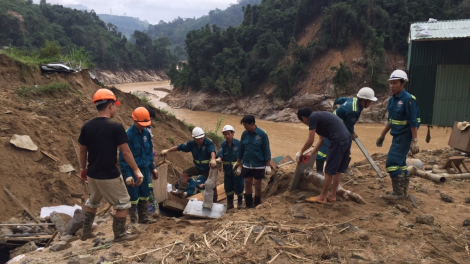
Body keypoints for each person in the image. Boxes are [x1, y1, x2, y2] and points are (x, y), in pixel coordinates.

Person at [78, 89, 141, 242]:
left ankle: (86, 232)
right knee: (123, 203)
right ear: (111, 106)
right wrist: (136, 170)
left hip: (92, 173)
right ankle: (119, 235)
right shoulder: (116, 127)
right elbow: (126, 152)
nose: (116, 108)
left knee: (93, 201)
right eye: (115, 105)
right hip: (109, 174)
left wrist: (83, 169)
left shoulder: (87, 126)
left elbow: (82, 150)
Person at [376, 70, 420, 199]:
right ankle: (403, 193)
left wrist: (414, 140)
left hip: (404, 137)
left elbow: (413, 122)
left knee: (391, 163)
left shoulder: (409, 100)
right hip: (396, 136)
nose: (392, 86)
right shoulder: (392, 100)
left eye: (395, 83)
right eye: (390, 83)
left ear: (403, 84)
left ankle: (398, 193)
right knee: (400, 164)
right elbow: (391, 120)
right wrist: (383, 134)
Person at [315, 87, 378, 174]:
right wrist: (352, 133)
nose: (371, 103)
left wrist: (335, 103)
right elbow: (348, 126)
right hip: (332, 127)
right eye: (370, 101)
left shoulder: (355, 101)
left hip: (339, 125)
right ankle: (319, 170)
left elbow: (342, 99)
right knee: (325, 148)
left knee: (346, 143)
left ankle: (343, 167)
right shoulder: (354, 111)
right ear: (364, 100)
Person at [296, 108, 351, 204]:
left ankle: (322, 197)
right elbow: (321, 140)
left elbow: (310, 140)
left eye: (302, 122)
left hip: (337, 141)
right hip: (347, 139)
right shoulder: (319, 117)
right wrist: (311, 154)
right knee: (338, 170)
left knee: (329, 171)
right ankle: (332, 195)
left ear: (304, 118)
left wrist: (300, 151)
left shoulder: (312, 118)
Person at [119, 107, 158, 224]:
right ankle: (133, 221)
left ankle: (144, 218)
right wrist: (126, 174)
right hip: (132, 171)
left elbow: (149, 154)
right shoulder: (128, 135)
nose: (144, 126)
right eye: (142, 123)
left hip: (145, 170)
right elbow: (123, 157)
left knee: (145, 194)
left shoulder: (146, 134)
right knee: (133, 196)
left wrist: (153, 168)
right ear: (134, 120)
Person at [161, 127, 218, 200]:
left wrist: (213, 159)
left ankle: (215, 199)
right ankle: (180, 191)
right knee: (185, 173)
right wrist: (167, 150)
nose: (200, 140)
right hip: (198, 167)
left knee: (212, 184)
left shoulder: (208, 142)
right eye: (198, 139)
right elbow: (180, 147)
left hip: (208, 168)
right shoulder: (191, 144)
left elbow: (212, 151)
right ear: (194, 138)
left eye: (201, 138)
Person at [233, 115, 271, 208]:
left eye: (246, 125)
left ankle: (257, 202)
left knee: (257, 185)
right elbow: (241, 149)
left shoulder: (262, 134)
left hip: (258, 164)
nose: (245, 127)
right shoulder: (244, 134)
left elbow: (266, 149)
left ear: (252, 124)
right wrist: (238, 162)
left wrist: (268, 165)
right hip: (246, 163)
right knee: (247, 183)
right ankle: (248, 204)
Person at [216, 125, 243, 210]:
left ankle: (239, 203)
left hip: (237, 169)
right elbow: (220, 153)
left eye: (228, 134)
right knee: (228, 187)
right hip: (227, 170)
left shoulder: (239, 144)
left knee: (239, 186)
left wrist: (240, 167)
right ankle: (230, 203)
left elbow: (243, 156)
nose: (227, 136)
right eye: (225, 134)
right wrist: (218, 160)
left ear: (233, 134)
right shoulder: (223, 144)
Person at [144, 106, 159, 216]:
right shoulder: (144, 131)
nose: (152, 121)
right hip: (143, 163)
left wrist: (152, 153)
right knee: (146, 186)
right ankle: (153, 209)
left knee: (148, 186)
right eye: (151, 118)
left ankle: (154, 209)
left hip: (147, 162)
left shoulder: (148, 130)